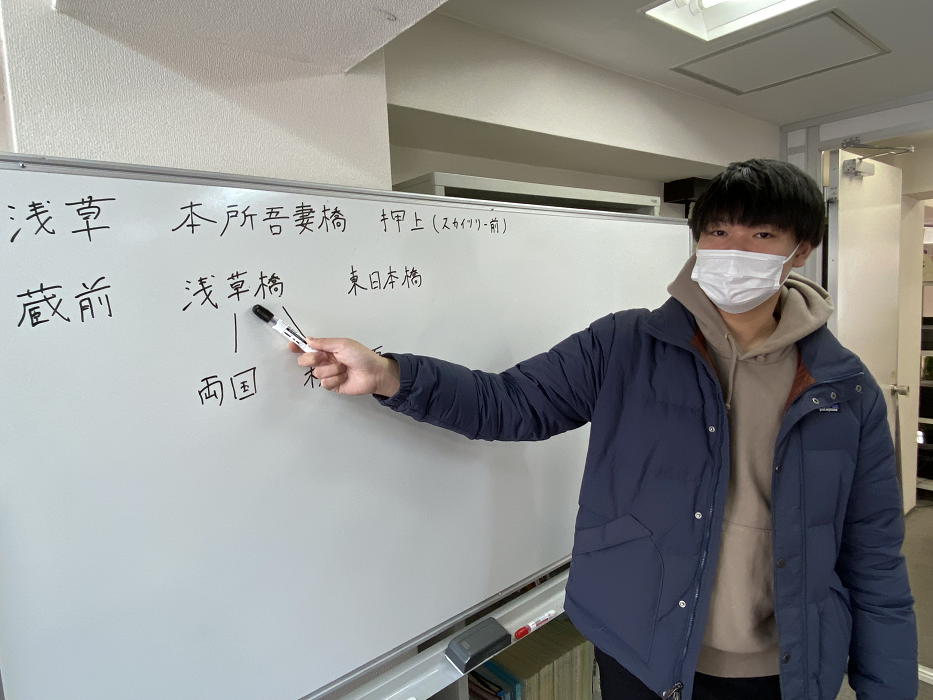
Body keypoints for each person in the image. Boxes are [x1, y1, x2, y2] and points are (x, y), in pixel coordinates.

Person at [289, 160, 917, 700]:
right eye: (718, 232)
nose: (734, 252)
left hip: (782, 669)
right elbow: (508, 402)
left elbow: (873, 556)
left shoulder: (845, 388)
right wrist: (389, 373)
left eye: (761, 234)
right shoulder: (625, 344)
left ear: (800, 250)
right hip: (639, 649)